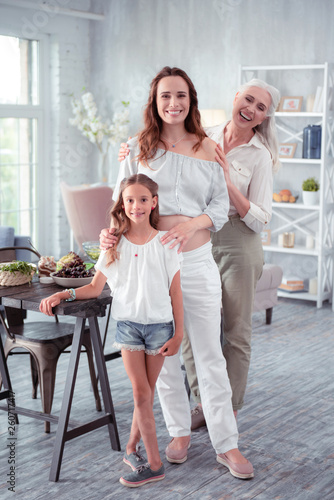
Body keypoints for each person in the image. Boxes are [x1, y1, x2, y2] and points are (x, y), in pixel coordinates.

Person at [100, 66, 254, 480]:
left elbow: (220, 209)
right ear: (155, 101)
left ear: (191, 100)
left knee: (210, 355)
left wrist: (191, 224)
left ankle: (228, 444)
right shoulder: (136, 148)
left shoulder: (208, 148)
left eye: (181, 95)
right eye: (166, 95)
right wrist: (109, 238)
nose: (174, 103)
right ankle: (178, 432)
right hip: (150, 264)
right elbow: (120, 204)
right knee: (163, 356)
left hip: (198, 262)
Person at [116, 78, 281, 431]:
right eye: (248, 99)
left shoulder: (260, 156)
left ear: (264, 117)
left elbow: (260, 217)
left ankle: (228, 411)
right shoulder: (201, 134)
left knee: (234, 329)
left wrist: (226, 181)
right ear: (236, 97)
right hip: (189, 244)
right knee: (185, 333)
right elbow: (160, 161)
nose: (251, 109)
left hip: (239, 238)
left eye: (261, 107)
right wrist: (128, 156)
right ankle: (202, 405)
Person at [40, 173, 184, 488]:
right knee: (140, 392)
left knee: (144, 395)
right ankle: (155, 464)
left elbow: (176, 294)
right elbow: (94, 287)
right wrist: (63, 294)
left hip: (161, 328)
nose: (136, 205)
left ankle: (132, 449)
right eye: (130, 200)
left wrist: (179, 334)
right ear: (123, 204)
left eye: (143, 199)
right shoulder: (113, 245)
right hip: (129, 327)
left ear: (153, 202)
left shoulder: (166, 243)